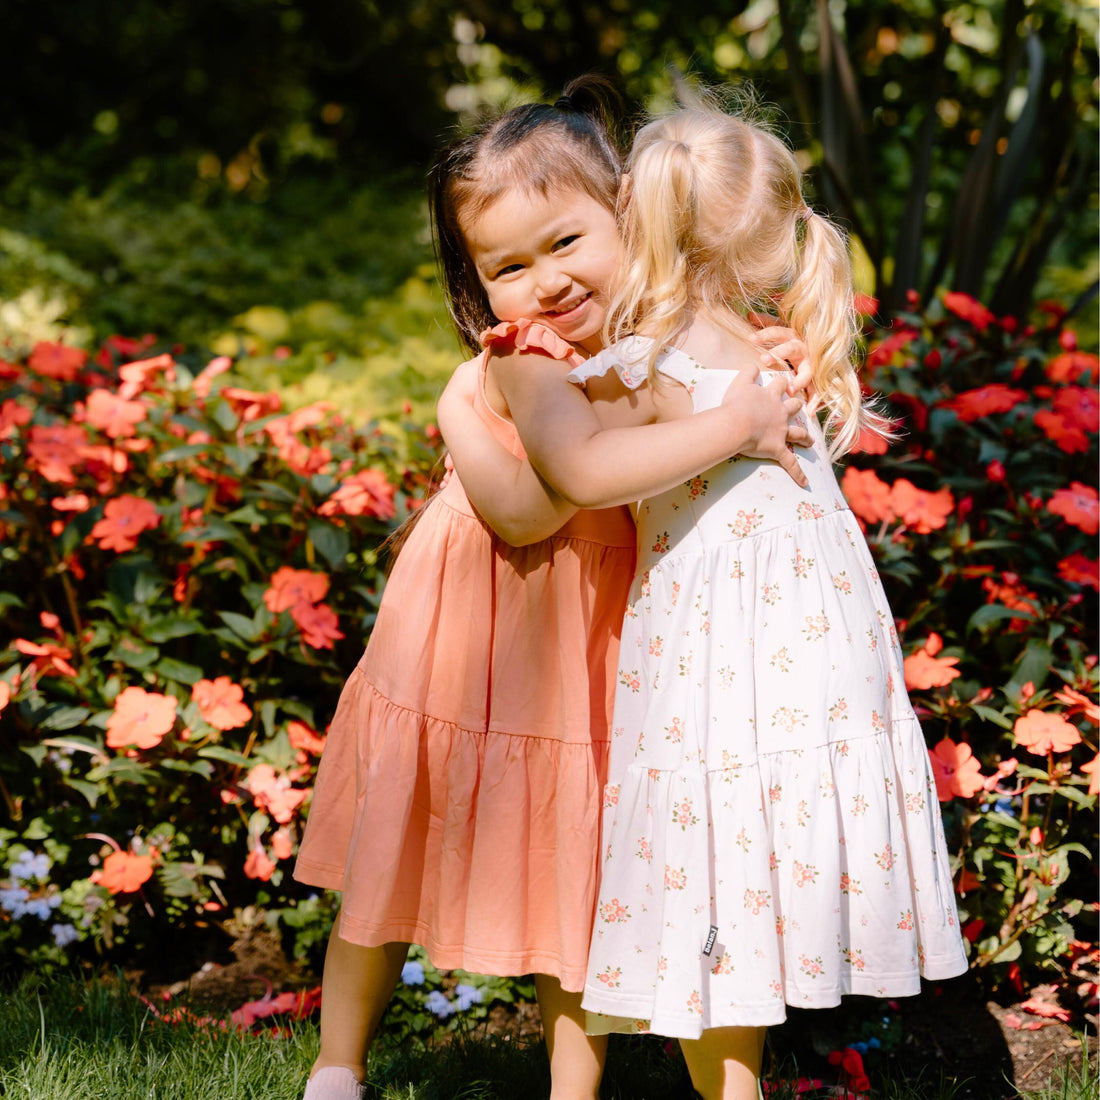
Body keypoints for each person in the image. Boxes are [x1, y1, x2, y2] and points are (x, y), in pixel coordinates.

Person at [294, 79, 811, 1100]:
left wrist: (768, 374)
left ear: (627, 217)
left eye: (565, 242)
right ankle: (336, 1062)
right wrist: (707, 422)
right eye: (506, 266)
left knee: (572, 869)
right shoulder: (515, 364)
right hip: (473, 628)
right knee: (387, 854)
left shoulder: (657, 339)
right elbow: (534, 512)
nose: (542, 281)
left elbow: (747, 390)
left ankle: (571, 1087)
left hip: (591, 631)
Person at [482, 94, 969, 1100]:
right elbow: (591, 468)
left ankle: (731, 1086)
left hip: (722, 649)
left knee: (708, 868)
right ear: (769, 235)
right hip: (806, 645)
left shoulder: (655, 359)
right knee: (737, 867)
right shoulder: (754, 345)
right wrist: (734, 420)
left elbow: (571, 474)